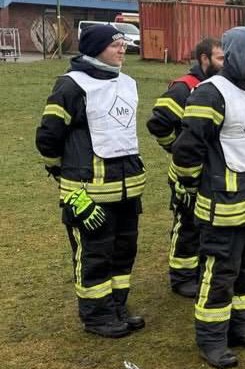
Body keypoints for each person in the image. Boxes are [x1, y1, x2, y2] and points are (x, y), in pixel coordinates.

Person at [172, 26, 245, 369]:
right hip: (223, 205)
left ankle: (239, 328)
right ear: (236, 54)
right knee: (219, 273)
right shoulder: (210, 93)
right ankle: (212, 339)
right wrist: (191, 186)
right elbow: (187, 150)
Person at [35, 24, 146, 338]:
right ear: (96, 48)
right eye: (116, 45)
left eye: (124, 44)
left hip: (127, 190)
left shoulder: (128, 83)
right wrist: (64, 175)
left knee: (124, 252)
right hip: (88, 192)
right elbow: (48, 136)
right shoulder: (71, 86)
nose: (122, 49)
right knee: (95, 255)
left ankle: (116, 307)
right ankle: (97, 317)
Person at [147, 37, 224, 298]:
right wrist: (176, 147)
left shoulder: (218, 86)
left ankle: (200, 268)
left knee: (205, 224)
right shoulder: (184, 88)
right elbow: (158, 124)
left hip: (210, 173)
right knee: (187, 224)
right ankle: (181, 277)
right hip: (185, 171)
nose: (224, 63)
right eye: (219, 59)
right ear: (204, 59)